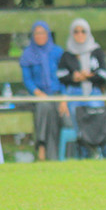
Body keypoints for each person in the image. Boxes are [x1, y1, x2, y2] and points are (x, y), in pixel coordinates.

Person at [58, 18, 106, 159]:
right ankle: (82, 157)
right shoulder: (67, 54)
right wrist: (74, 77)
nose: (80, 34)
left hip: (93, 92)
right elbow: (61, 75)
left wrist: (88, 76)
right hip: (75, 93)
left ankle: (104, 156)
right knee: (79, 127)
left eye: (83, 31)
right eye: (76, 32)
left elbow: (104, 75)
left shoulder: (97, 51)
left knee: (98, 124)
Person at [19, 20, 67, 161]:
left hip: (58, 93)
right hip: (38, 95)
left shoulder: (57, 52)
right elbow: (27, 80)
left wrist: (64, 97)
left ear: (48, 34)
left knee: (62, 112)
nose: (40, 36)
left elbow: (64, 76)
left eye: (42, 33)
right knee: (45, 107)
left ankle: (61, 152)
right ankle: (42, 147)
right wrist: (38, 93)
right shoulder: (28, 54)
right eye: (37, 33)